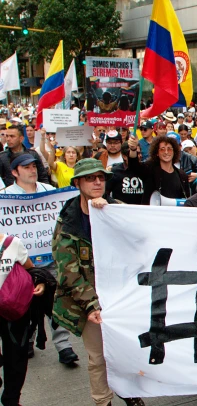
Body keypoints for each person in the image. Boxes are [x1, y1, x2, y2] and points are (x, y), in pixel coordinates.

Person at [52, 159, 145, 406]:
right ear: (78, 183)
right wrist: (92, 305)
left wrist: (110, 214)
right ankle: (103, 400)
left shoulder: (117, 208)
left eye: (101, 178)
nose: (97, 182)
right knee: (98, 357)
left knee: (126, 350)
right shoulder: (68, 221)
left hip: (119, 297)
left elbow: (143, 239)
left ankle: (129, 393)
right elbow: (68, 272)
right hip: (88, 301)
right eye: (90, 178)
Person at [0, 153, 80, 363]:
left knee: (56, 302)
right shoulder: (5, 197)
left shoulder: (49, 192)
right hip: (22, 263)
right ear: (15, 172)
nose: (32, 170)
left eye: (34, 166)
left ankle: (64, 346)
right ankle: (28, 339)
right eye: (26, 167)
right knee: (25, 301)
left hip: (50, 260)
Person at [0, 234, 46, 406]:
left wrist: (40, 283)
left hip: (13, 309)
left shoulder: (13, 243)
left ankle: (11, 400)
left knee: (16, 356)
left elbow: (31, 270)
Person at [127, 135, 192, 204]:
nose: (166, 152)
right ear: (157, 153)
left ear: (174, 151)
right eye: (162, 149)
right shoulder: (149, 169)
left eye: (169, 149)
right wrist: (133, 150)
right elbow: (134, 166)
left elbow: (186, 200)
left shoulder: (182, 175)